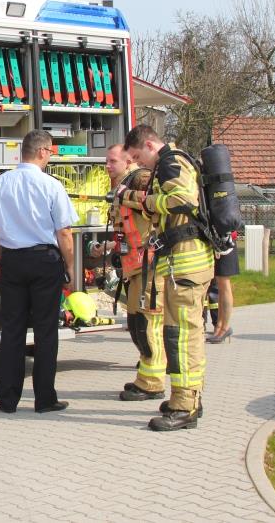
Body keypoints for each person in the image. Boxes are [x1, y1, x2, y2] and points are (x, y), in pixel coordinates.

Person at [121, 125, 214, 431]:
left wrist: (149, 202)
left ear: (149, 144)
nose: (140, 164)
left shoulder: (171, 162)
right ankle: (189, 399)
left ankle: (184, 406)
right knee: (184, 334)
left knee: (181, 336)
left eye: (138, 157)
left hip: (186, 263)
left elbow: (184, 200)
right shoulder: (170, 163)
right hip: (184, 262)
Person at [0, 130, 76, 414]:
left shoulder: (0, 184)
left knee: (12, 331)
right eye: (51, 152)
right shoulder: (51, 185)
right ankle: (45, 399)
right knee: (46, 331)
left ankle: (7, 400)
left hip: (12, 262)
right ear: (43, 151)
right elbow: (64, 232)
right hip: (44, 261)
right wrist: (68, 265)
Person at [90, 144, 164, 401]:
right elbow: (130, 231)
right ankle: (144, 377)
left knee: (146, 324)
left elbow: (158, 211)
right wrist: (108, 246)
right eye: (106, 161)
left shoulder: (142, 180)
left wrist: (128, 196)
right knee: (134, 324)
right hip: (134, 266)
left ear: (128, 161)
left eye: (112, 161)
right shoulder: (122, 187)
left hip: (149, 265)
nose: (107, 166)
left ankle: (153, 382)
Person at [206, 242, 237, 343]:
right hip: (218, 245)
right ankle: (219, 326)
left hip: (225, 245)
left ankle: (225, 327)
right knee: (220, 286)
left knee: (225, 285)